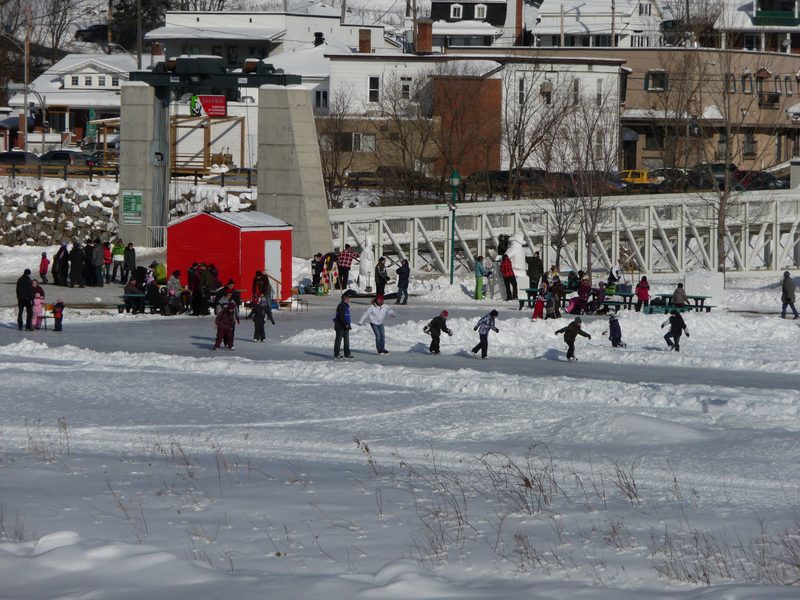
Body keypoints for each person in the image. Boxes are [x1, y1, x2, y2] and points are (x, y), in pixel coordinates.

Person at [333, 291, 354, 359]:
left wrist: (347, 325)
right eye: (347, 299)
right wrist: (346, 325)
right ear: (344, 299)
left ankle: (347, 354)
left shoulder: (345, 306)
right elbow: (341, 317)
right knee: (338, 341)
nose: (348, 300)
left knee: (346, 341)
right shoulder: (341, 306)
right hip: (340, 326)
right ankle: (336, 354)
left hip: (345, 326)